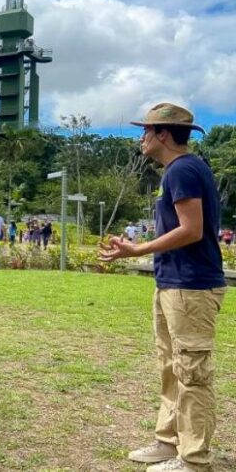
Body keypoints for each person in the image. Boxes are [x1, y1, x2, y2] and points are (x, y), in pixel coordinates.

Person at [99, 103, 226, 472]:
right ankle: (168, 443)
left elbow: (192, 229)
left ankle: (193, 459)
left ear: (163, 134)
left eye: (145, 131)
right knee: (171, 368)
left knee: (192, 373)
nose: (141, 138)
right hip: (173, 283)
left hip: (191, 287)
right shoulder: (179, 170)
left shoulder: (183, 169)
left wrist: (136, 249)